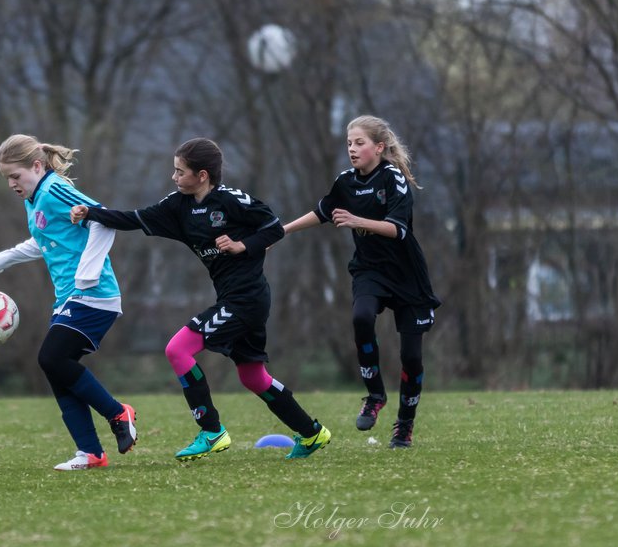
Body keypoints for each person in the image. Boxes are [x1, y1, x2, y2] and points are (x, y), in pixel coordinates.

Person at [70, 138, 331, 461]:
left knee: (177, 349)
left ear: (203, 175)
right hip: (234, 299)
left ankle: (211, 431)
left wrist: (241, 245)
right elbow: (134, 219)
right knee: (253, 377)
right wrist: (92, 214)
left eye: (180, 171)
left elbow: (273, 229)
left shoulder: (232, 201)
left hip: (246, 299)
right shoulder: (178, 205)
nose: (174, 177)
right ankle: (312, 433)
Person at [282, 115, 441, 449]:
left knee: (411, 357)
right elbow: (323, 211)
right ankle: (374, 394)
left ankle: (405, 426)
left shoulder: (393, 178)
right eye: (349, 143)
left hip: (408, 276)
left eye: (359, 143)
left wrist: (357, 220)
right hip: (370, 270)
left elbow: (399, 230)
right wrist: (281, 232)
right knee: (360, 316)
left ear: (379, 147)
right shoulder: (346, 181)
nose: (352, 149)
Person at [0, 134, 137, 471]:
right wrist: (3, 258)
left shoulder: (53, 190)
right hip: (69, 296)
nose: (11, 184)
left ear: (36, 166)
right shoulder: (34, 199)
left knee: (51, 357)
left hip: (93, 294)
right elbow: (44, 242)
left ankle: (117, 413)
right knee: (56, 369)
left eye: (15, 176)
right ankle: (91, 453)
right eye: (6, 178)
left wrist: (88, 272)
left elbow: (103, 219)